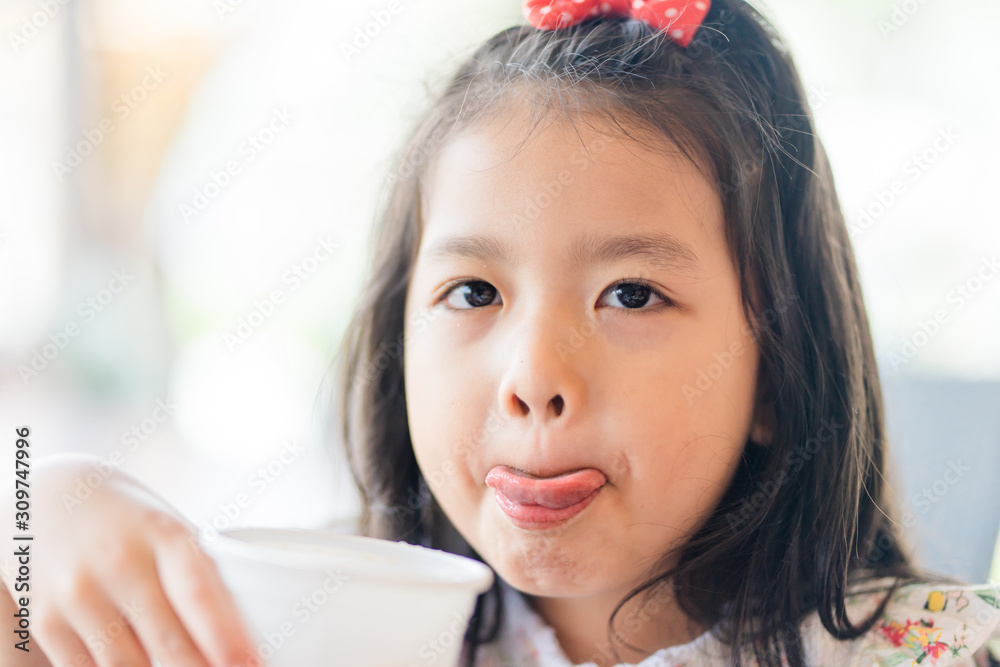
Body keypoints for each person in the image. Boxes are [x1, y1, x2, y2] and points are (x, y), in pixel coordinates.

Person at [4, 1, 999, 666]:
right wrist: (32, 522)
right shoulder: (316, 621)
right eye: (474, 292)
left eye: (631, 295)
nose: (533, 377)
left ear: (780, 368)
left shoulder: (924, 650)